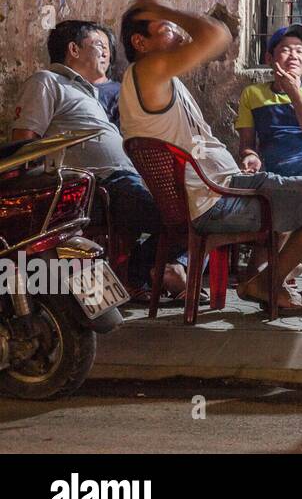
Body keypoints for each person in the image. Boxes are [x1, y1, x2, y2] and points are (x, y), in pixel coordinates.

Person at [117, 0, 302, 314]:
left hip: (221, 190)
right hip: (218, 201)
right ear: (141, 42)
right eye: (166, 28)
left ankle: (267, 281)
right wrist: (161, 7)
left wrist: (245, 160)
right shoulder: (148, 70)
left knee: (296, 193)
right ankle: (270, 282)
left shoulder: (156, 80)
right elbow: (217, 35)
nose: (179, 31)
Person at [10, 20, 181, 298]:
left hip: (126, 180)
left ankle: (131, 275)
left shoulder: (88, 92)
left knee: (197, 213)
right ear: (73, 49)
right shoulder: (46, 81)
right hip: (100, 185)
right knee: (185, 220)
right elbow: (24, 144)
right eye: (99, 46)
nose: (107, 54)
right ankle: (132, 275)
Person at [235, 23, 302, 177]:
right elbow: (246, 145)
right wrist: (251, 156)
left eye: (300, 51)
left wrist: (294, 94)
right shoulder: (252, 94)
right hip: (276, 172)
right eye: (285, 50)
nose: (294, 56)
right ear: (269, 58)